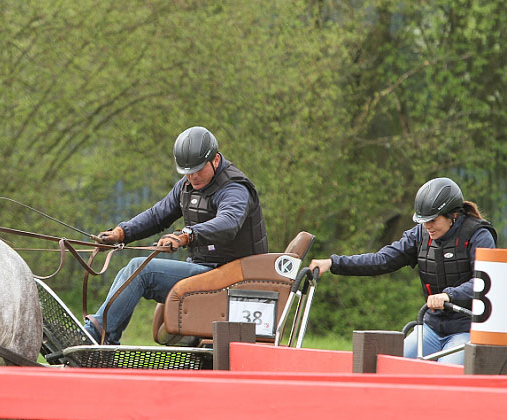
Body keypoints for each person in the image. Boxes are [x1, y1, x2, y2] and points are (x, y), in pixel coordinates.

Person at [83, 126, 268, 344]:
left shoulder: (234, 188)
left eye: (198, 169)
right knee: (132, 270)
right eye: (187, 171)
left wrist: (187, 234)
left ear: (216, 160)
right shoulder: (187, 186)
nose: (193, 176)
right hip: (208, 272)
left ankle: (97, 336)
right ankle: (100, 336)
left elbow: (228, 222)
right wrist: (121, 233)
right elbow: (157, 215)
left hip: (232, 278)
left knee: (140, 270)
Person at [309, 177, 497, 365]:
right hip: (431, 328)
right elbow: (382, 260)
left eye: (433, 220)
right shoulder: (420, 235)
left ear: (453, 215)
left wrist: (449, 295)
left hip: (467, 330)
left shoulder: (479, 235)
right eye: (423, 221)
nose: (427, 226)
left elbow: (485, 282)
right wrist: (333, 263)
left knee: (445, 370)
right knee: (393, 365)